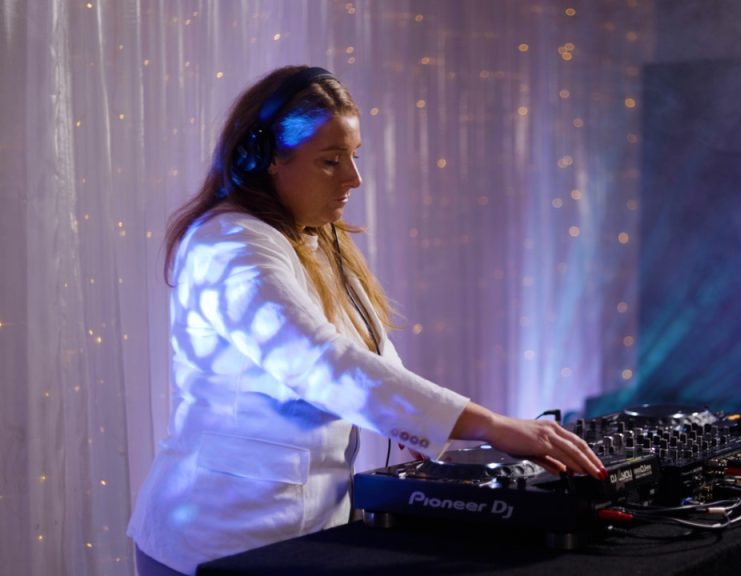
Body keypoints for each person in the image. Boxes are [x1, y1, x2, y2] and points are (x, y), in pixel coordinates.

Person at [126, 65, 606, 575]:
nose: (353, 178)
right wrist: (491, 426)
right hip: (213, 537)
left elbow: (371, 357)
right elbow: (320, 363)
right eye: (331, 161)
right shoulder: (230, 246)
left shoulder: (314, 235)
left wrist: (422, 430)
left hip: (302, 533)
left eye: (354, 157)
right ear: (263, 158)